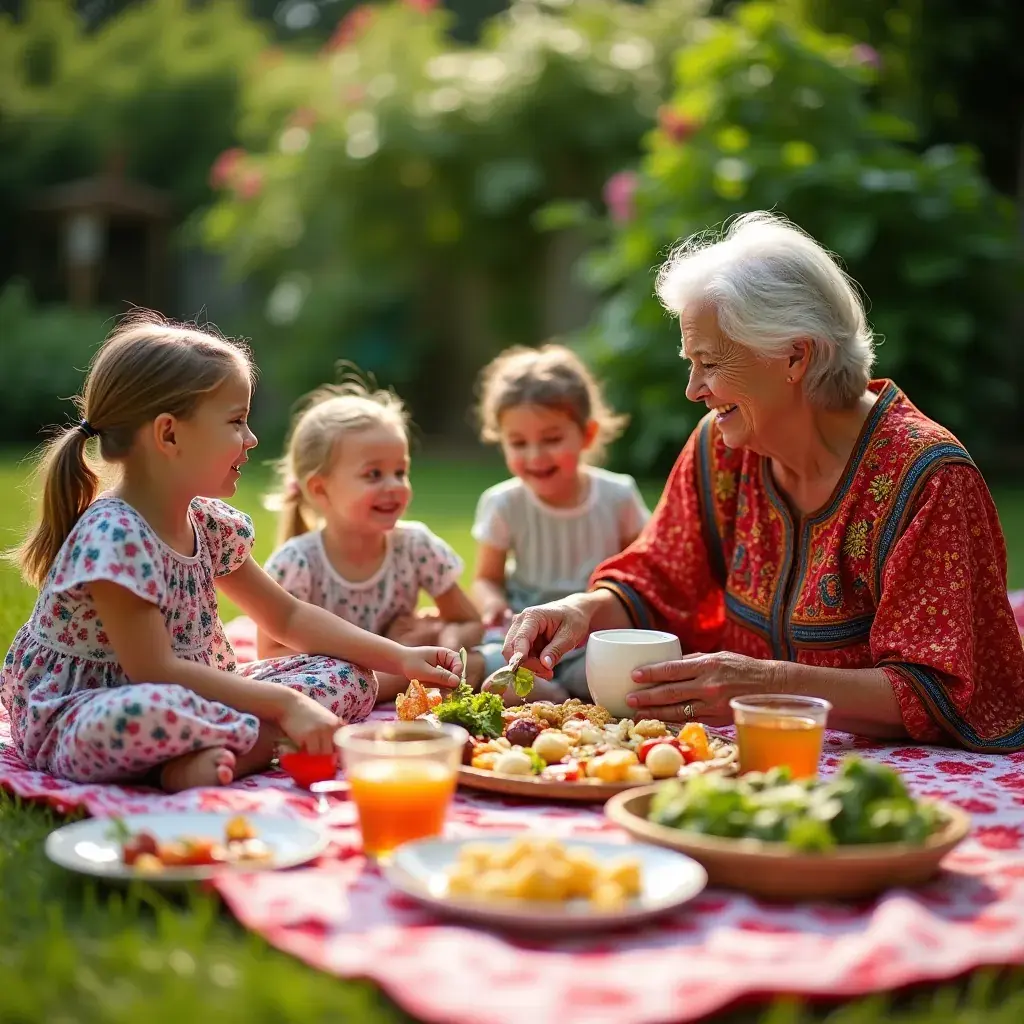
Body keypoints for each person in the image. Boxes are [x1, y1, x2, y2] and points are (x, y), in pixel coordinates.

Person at [502, 212, 1024, 752]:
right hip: (737, 763)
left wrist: (768, 686)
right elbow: (658, 578)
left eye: (708, 362)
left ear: (795, 356)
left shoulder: (930, 480)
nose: (693, 389)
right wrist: (578, 612)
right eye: (691, 362)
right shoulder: (721, 449)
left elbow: (943, 692)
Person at [0, 315, 462, 791]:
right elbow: (153, 672)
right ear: (169, 435)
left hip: (199, 695)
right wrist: (284, 704)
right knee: (145, 714)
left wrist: (401, 658)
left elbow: (288, 617)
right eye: (236, 421)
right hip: (95, 709)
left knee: (350, 676)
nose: (252, 439)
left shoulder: (209, 523)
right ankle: (238, 748)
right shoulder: (114, 536)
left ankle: (212, 757)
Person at [256, 379, 483, 700]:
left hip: (404, 667)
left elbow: (471, 622)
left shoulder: (416, 547)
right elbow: (271, 660)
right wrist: (391, 654)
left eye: (400, 472)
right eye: (374, 474)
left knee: (476, 663)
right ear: (320, 489)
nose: (394, 485)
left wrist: (443, 642)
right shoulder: (297, 563)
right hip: (335, 683)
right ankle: (397, 683)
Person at [471, 344, 650, 702]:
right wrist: (492, 604)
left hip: (593, 633)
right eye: (518, 442)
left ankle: (561, 693)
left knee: (626, 680)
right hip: (525, 634)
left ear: (586, 434)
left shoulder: (618, 495)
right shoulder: (503, 502)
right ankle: (551, 692)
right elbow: (485, 578)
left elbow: (644, 572)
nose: (535, 456)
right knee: (489, 665)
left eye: (551, 439)